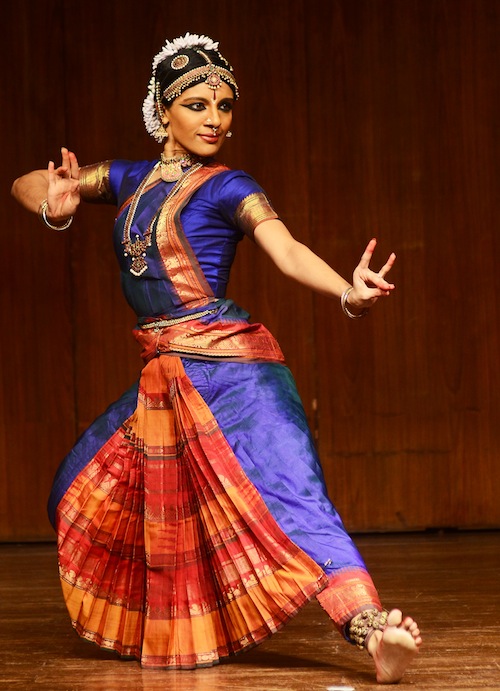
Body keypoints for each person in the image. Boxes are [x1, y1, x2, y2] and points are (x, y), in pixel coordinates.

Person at [11, 32, 421, 683]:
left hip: (237, 372)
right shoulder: (127, 178)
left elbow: (284, 250)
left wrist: (347, 290)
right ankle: (182, 622)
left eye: (225, 106)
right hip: (165, 378)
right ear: (163, 111)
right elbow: (29, 183)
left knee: (296, 497)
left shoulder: (230, 185)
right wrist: (55, 203)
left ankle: (374, 630)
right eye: (199, 104)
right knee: (78, 484)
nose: (215, 119)